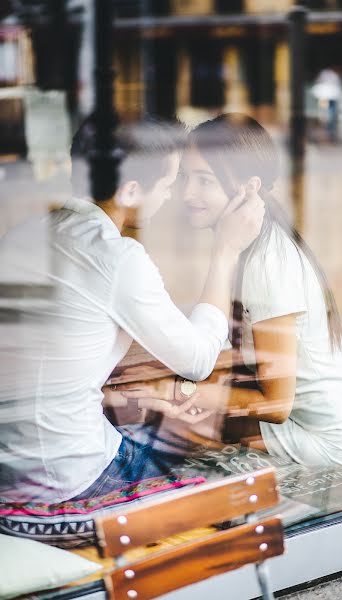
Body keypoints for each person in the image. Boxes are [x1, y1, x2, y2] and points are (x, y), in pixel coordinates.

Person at [0, 117, 265, 503]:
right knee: (220, 469)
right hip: (71, 475)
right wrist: (226, 251)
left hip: (9, 471)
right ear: (132, 190)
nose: (172, 196)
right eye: (169, 183)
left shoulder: (21, 235)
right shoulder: (116, 256)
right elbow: (198, 360)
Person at [120, 113, 342, 468]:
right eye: (185, 177)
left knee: (176, 433)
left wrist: (182, 392)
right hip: (331, 415)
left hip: (333, 434)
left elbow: (276, 405)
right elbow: (232, 355)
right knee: (179, 419)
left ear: (249, 188)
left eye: (204, 180)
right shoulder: (248, 246)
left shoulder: (265, 263)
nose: (187, 193)